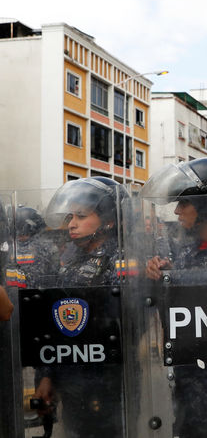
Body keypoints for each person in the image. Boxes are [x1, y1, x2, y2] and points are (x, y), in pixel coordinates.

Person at [141, 157, 207, 438]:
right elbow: (167, 312)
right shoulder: (182, 254)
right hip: (189, 385)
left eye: (184, 203)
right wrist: (158, 278)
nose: (177, 210)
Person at [33, 176, 126, 438]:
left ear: (109, 220)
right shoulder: (68, 259)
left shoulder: (121, 259)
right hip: (69, 379)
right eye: (71, 216)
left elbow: (125, 325)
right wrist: (46, 376)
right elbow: (53, 323)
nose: (71, 224)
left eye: (81, 216)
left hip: (109, 383)